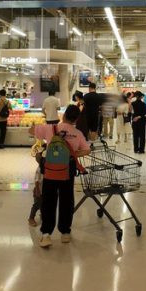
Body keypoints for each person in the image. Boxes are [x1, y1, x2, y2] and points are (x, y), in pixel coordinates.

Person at [33, 105, 91, 247]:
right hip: (67, 169)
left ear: (63, 115)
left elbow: (31, 131)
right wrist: (72, 153)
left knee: (49, 200)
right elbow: (87, 150)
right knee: (66, 199)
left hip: (51, 169)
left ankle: (46, 234)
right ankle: (65, 232)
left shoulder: (51, 128)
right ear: (76, 119)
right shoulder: (77, 133)